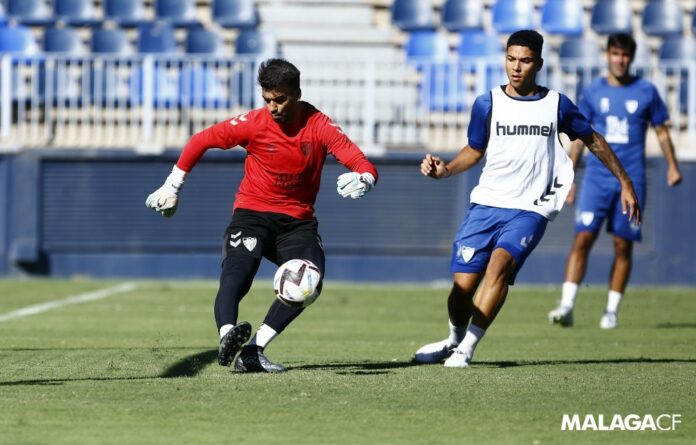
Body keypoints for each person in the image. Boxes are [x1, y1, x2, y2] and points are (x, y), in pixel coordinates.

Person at [413, 30, 640, 368]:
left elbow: (593, 139)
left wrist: (625, 181)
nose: (516, 67)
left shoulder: (557, 104)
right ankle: (453, 339)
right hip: (487, 204)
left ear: (539, 63)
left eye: (525, 61)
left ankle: (466, 349)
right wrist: (445, 169)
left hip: (530, 209)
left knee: (500, 265)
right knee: (461, 290)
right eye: (511, 59)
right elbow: (475, 150)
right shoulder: (487, 103)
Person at [145, 59, 378, 373]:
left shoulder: (319, 125)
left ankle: (253, 351)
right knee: (236, 274)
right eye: (267, 99)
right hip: (252, 213)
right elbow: (201, 140)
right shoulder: (253, 123)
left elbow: (361, 162)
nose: (273, 107)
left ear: (297, 93)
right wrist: (172, 186)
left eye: (280, 99)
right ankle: (228, 335)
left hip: (297, 222)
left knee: (311, 282)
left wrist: (365, 180)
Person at [548, 33, 682, 329]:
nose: (619, 60)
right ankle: (567, 304)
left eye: (625, 55)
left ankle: (611, 310)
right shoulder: (592, 92)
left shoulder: (647, 91)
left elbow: (661, 131)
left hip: (630, 181)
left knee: (623, 246)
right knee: (582, 238)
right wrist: (569, 178)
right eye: (615, 54)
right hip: (596, 180)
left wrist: (672, 165)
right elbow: (581, 139)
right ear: (607, 55)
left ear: (631, 58)